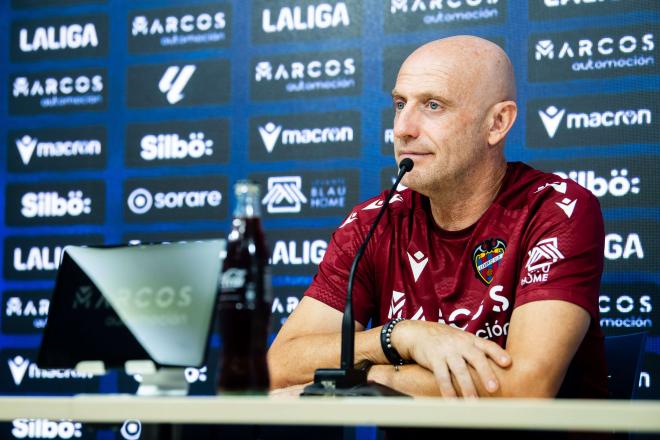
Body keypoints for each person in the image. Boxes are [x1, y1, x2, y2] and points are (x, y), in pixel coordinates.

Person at [267, 35, 607, 401]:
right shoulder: (375, 221)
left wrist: (365, 380)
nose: (403, 128)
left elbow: (523, 389)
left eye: (433, 105)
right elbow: (276, 369)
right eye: (400, 104)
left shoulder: (556, 209)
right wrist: (400, 336)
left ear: (497, 123)